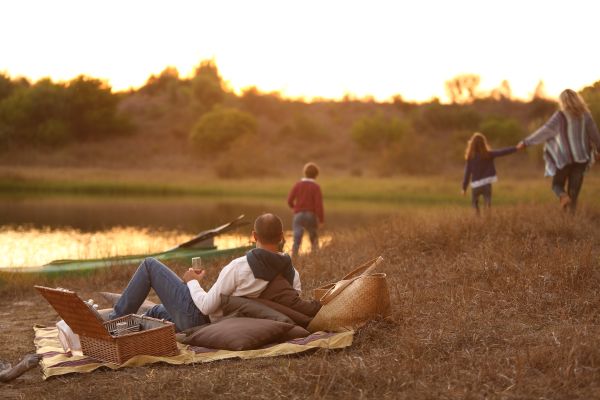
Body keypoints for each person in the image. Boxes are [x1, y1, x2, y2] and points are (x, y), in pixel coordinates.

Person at [108, 213, 302, 332]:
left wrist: (193, 282)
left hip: (201, 321)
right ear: (281, 237)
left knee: (150, 265)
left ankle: (111, 323)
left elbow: (206, 308)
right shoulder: (292, 274)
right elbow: (289, 307)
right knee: (157, 311)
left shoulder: (239, 267)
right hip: (229, 322)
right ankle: (136, 321)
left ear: (253, 236)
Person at [517, 89, 600, 212]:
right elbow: (595, 135)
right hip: (582, 158)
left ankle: (562, 196)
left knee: (557, 185)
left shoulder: (560, 116)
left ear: (563, 101)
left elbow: (544, 131)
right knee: (574, 192)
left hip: (564, 158)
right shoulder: (585, 115)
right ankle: (570, 220)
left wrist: (526, 142)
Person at [462, 132, 517, 214]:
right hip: (486, 184)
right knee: (487, 204)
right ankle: (487, 220)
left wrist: (464, 188)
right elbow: (502, 152)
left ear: (472, 145)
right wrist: (515, 148)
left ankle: (477, 221)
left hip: (475, 185)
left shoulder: (470, 158)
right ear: (484, 143)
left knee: (474, 204)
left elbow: (467, 174)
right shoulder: (488, 154)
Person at [287, 162, 324, 257]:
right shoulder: (316, 187)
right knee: (314, 239)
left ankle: (294, 260)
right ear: (316, 175)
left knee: (297, 240)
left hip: (298, 215)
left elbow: (289, 200)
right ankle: (316, 258)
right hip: (311, 215)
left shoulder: (298, 184)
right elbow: (318, 205)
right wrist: (321, 220)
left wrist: (295, 208)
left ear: (305, 172)